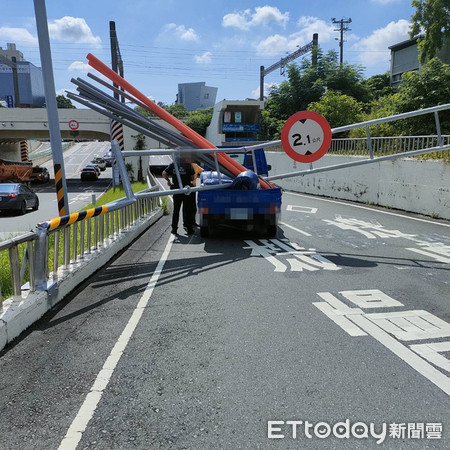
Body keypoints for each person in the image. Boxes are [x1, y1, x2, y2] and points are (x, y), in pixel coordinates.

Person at [162, 158, 196, 235]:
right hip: (186, 190)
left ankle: (174, 229)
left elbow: (164, 173)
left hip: (177, 190)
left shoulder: (173, 164)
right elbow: (192, 177)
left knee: (176, 210)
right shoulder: (188, 165)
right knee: (187, 210)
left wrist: (168, 181)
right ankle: (189, 228)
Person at [190, 161, 204, 226]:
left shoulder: (180, 165)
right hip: (192, 187)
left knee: (186, 207)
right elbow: (203, 172)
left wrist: (169, 181)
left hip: (184, 187)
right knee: (192, 206)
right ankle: (192, 222)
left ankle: (187, 223)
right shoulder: (195, 166)